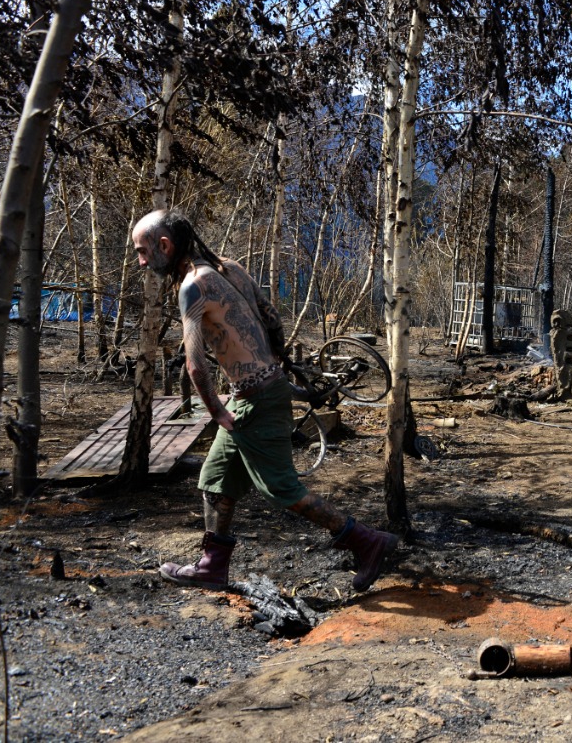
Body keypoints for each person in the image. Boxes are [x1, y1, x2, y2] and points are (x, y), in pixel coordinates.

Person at [130, 209, 399, 593]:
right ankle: (212, 566)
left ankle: (367, 541)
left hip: (254, 401)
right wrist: (277, 367)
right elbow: (272, 318)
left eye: (143, 252)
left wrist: (217, 411)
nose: (142, 261)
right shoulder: (229, 268)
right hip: (257, 393)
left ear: (165, 245)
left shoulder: (192, 286)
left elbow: (194, 366)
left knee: (283, 490)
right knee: (216, 482)